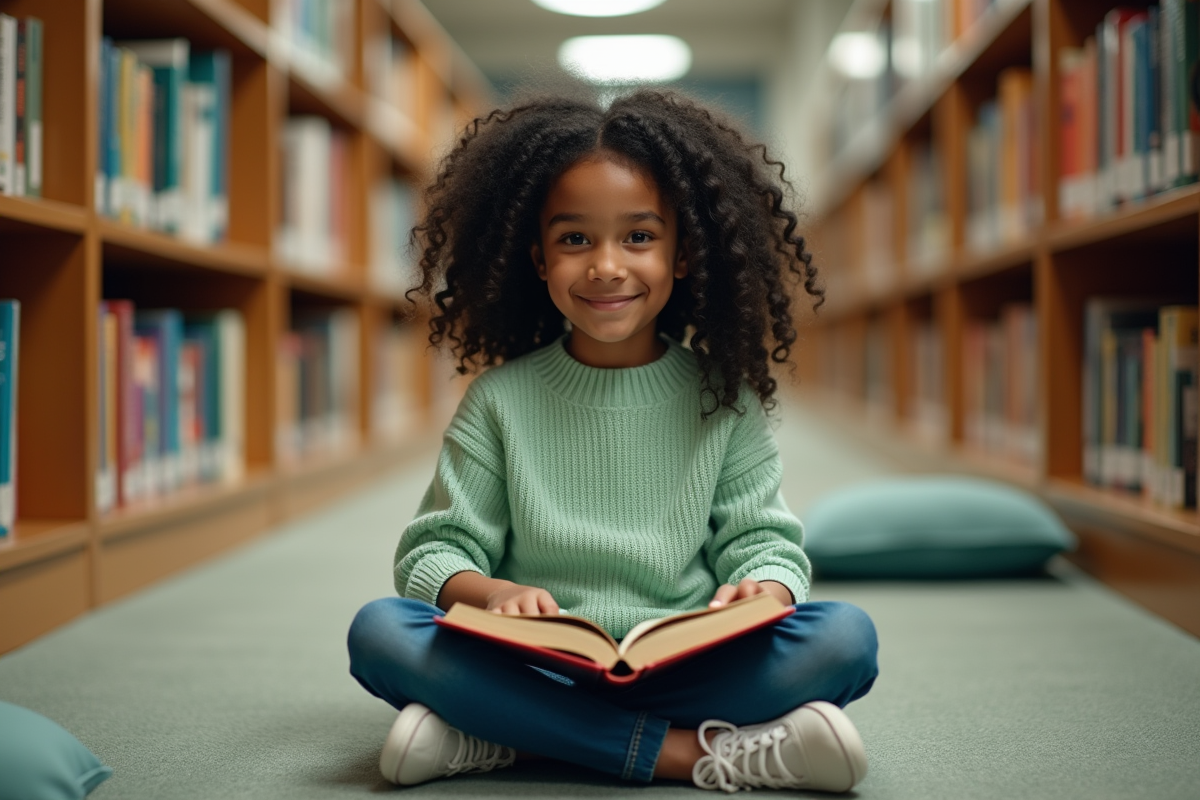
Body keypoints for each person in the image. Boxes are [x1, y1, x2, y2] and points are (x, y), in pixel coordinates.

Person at [347, 88, 879, 794]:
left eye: (638, 236)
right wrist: (493, 591)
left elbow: (767, 543)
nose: (605, 265)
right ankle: (691, 756)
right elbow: (432, 552)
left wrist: (764, 587)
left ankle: (511, 735)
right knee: (381, 632)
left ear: (683, 253)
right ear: (537, 258)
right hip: (534, 659)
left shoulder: (724, 398)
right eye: (574, 239)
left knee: (844, 638)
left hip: (685, 657)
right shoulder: (499, 401)